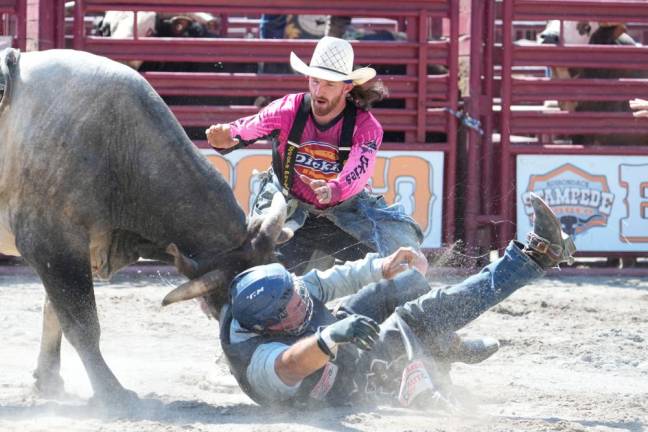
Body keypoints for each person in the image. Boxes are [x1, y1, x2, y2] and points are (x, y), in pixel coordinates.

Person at [218, 194, 576, 408]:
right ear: (269, 327)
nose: (302, 298)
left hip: (339, 341)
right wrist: (330, 338)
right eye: (294, 305)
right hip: (346, 384)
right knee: (412, 317)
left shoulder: (279, 292)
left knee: (404, 283)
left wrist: (383, 265)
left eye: (297, 291)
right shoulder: (258, 361)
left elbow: (331, 281)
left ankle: (440, 346)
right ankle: (535, 256)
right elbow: (291, 365)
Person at [206, 36, 422, 274]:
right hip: (290, 205)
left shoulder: (366, 126)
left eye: (329, 84)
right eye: (315, 81)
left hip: (346, 210)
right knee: (257, 260)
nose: (319, 90)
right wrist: (229, 136)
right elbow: (251, 127)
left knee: (401, 257)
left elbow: (361, 167)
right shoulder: (288, 109)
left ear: (346, 87)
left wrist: (335, 188)